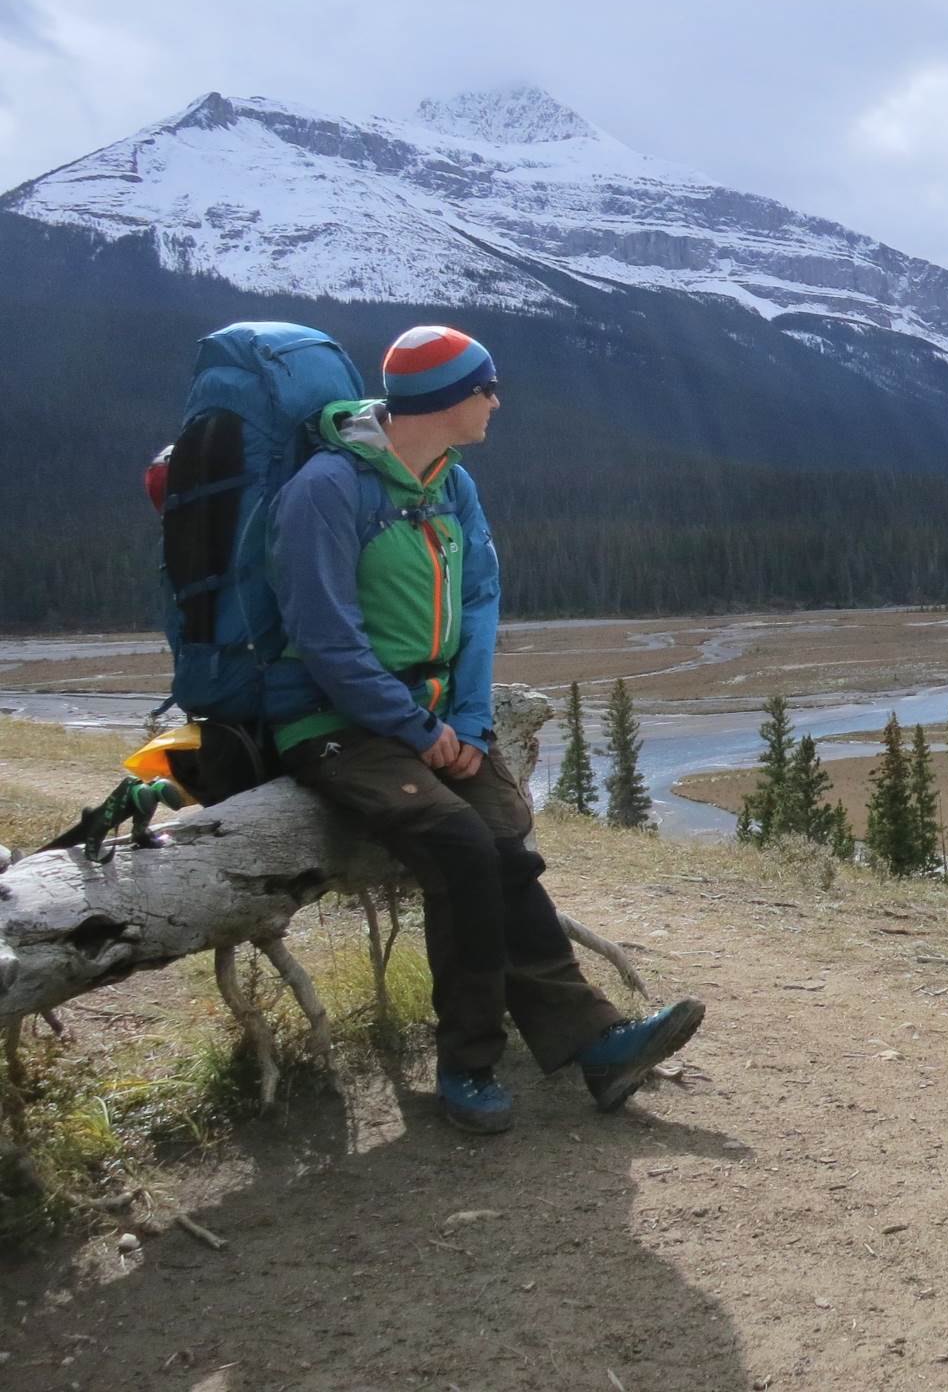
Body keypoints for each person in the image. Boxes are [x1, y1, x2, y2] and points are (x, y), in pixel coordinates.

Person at [268, 324, 703, 1134]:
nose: (496, 402)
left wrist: (465, 721)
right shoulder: (328, 489)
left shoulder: (452, 485)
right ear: (443, 400)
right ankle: (467, 1062)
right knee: (461, 846)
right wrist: (411, 724)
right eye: (486, 388)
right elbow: (325, 637)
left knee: (506, 841)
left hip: (431, 715)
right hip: (330, 721)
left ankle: (597, 1045)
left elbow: (477, 604)